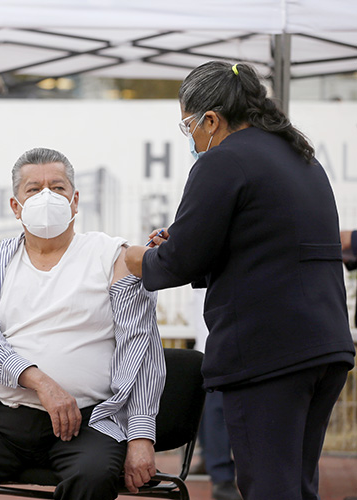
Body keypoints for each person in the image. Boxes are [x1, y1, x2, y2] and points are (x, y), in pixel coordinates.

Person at [125, 61, 355, 500]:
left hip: (268, 353)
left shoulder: (223, 161)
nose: (190, 137)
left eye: (188, 125)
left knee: (268, 487)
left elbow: (180, 260)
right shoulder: (298, 156)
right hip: (323, 344)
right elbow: (264, 244)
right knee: (298, 486)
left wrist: (136, 258)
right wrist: (186, 244)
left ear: (211, 119)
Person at [0, 147, 166, 500]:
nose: (46, 196)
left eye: (57, 188)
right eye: (33, 189)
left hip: (89, 424)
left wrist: (141, 437)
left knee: (92, 479)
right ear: (16, 206)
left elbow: (142, 349)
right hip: (6, 425)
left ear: (75, 201)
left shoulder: (108, 256)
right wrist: (40, 381)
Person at [190, 289, 241, 500]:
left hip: (211, 336)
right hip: (217, 340)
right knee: (216, 409)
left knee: (208, 409)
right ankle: (221, 478)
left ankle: (209, 462)